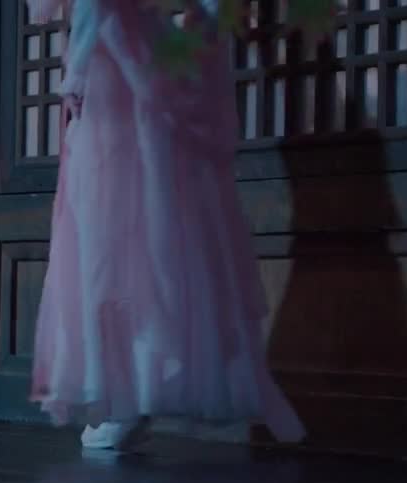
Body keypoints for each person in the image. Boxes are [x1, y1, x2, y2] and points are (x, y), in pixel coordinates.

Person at [26, 0, 307, 450]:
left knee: (119, 231)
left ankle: (125, 395)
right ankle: (139, 388)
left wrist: (76, 68)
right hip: (136, 53)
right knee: (155, 225)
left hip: (119, 60)